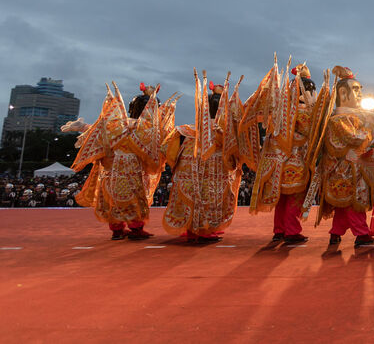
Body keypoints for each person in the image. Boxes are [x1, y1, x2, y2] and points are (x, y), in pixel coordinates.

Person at [62, 82, 178, 240]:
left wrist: (82, 127)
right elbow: (166, 142)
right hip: (135, 172)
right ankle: (136, 229)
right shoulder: (149, 129)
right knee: (136, 200)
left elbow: (99, 132)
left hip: (111, 172)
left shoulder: (116, 124)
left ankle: (117, 230)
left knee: (112, 201)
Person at [247, 62, 330, 243]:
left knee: (282, 198)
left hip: (278, 162)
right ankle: (292, 231)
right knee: (294, 197)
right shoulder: (304, 112)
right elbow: (310, 133)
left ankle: (279, 230)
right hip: (295, 160)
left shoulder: (281, 111)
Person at [309, 66, 374, 247]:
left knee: (343, 206)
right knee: (354, 203)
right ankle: (362, 234)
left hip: (352, 168)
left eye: (360, 90)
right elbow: (352, 138)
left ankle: (335, 233)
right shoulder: (337, 120)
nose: (359, 94)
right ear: (343, 93)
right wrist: (371, 138)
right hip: (344, 171)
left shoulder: (354, 117)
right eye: (355, 90)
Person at [162, 72, 244, 242]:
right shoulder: (223, 132)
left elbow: (168, 151)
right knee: (211, 196)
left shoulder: (187, 131)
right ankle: (206, 230)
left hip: (190, 171)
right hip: (213, 171)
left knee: (193, 196)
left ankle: (192, 228)